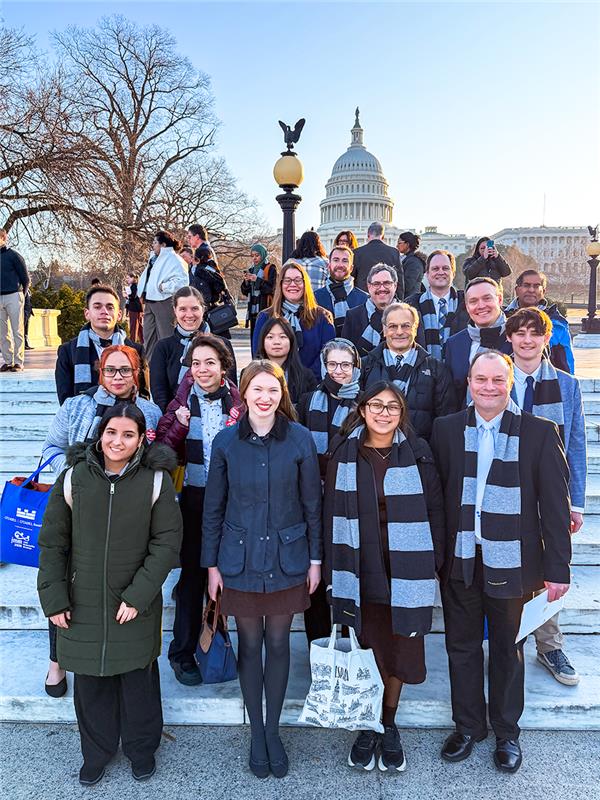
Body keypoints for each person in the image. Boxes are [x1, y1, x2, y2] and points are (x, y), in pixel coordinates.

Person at [430, 351, 571, 774]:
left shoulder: (539, 432)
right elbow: (438, 498)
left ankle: (507, 732)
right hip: (461, 559)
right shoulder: (446, 429)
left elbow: (555, 507)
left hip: (516, 562)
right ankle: (468, 726)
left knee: (509, 649)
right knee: (462, 646)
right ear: (468, 383)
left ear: (509, 383)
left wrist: (557, 570)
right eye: (480, 379)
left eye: (497, 380)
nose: (488, 387)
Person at [37, 405, 182, 786]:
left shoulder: (155, 481)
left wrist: (138, 596)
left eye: (128, 435)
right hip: (82, 601)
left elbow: (166, 542)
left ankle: (141, 749)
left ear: (140, 441)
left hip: (132, 603)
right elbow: (52, 543)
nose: (118, 441)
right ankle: (96, 753)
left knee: (139, 683)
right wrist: (53, 599)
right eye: (112, 433)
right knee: (90, 684)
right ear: (100, 434)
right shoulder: (74, 478)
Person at [201, 361, 322, 779]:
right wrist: (211, 565)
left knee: (280, 644)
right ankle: (257, 733)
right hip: (240, 559)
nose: (265, 397)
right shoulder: (225, 442)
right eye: (257, 390)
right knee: (250, 646)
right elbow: (212, 507)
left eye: (273, 390)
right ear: (245, 393)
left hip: (288, 559)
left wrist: (316, 559)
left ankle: (274, 731)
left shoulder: (301, 439)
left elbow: (313, 505)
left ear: (281, 393)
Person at [323, 382, 444, 772]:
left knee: (400, 649)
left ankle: (387, 723)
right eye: (376, 405)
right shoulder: (344, 453)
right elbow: (329, 515)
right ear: (362, 410)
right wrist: (331, 567)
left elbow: (436, 510)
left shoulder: (417, 452)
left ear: (401, 412)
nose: (384, 413)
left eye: (393, 406)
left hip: (407, 569)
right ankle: (367, 724)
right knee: (370, 646)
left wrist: (433, 562)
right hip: (361, 565)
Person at [156, 334, 244, 686]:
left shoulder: (240, 401)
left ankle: (221, 643)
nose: (202, 369)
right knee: (192, 576)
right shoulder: (182, 399)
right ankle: (182, 652)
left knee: (227, 575)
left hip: (233, 500)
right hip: (194, 498)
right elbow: (161, 447)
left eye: (210, 362)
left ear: (224, 366)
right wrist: (178, 421)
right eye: (196, 363)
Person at [506, 307, 586, 685]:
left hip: (549, 491)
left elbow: (576, 446)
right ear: (509, 338)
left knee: (548, 569)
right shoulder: (493, 376)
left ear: (545, 338)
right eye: (519, 332)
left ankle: (549, 644)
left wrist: (576, 501)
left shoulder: (567, 385)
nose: (526, 339)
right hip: (502, 487)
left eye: (534, 333)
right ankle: (508, 641)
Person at [361, 303, 456, 440]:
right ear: (384, 329)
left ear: (415, 329)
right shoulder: (365, 366)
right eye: (393, 326)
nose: (399, 332)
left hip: (419, 451)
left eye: (406, 326)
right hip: (373, 451)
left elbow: (445, 420)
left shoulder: (436, 369)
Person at [150, 286, 237, 413]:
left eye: (195, 308)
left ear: (203, 309)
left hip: (219, 417)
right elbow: (160, 395)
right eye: (183, 309)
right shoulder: (163, 348)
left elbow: (232, 388)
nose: (189, 315)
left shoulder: (222, 344)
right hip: (176, 420)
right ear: (175, 311)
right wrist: (173, 419)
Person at [55, 284, 145, 404]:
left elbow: (143, 398)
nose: (104, 312)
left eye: (110, 307)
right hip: (83, 419)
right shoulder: (67, 351)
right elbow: (65, 401)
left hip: (125, 417)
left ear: (119, 315)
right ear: (87, 313)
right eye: (97, 307)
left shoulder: (137, 351)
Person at [252, 262, 335, 379]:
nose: (292, 284)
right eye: (287, 280)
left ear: (305, 284)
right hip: (273, 386)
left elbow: (328, 355)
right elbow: (258, 356)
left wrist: (304, 380)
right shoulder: (265, 317)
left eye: (298, 280)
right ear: (280, 285)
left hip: (311, 386)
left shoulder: (322, 317)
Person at [444, 277, 512, 404]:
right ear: (467, 306)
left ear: (500, 299)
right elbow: (451, 397)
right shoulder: (454, 344)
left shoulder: (517, 339)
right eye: (473, 301)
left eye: (487, 298)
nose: (481, 306)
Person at [505, 269, 574, 374]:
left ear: (543, 291)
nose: (531, 290)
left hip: (546, 384)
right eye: (526, 285)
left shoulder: (557, 324)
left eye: (536, 286)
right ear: (517, 289)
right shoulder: (501, 319)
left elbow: (566, 365)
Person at [405, 250, 469, 360]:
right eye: (435, 269)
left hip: (459, 372)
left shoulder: (467, 302)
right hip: (423, 371)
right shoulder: (411, 305)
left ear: (453, 273)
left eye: (445, 268)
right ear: (427, 274)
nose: (440, 272)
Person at [138, 230, 189, 360]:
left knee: (165, 337)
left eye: (155, 242)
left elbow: (182, 282)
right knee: (148, 337)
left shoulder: (175, 259)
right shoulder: (154, 259)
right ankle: (151, 368)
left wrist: (163, 287)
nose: (153, 245)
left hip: (164, 301)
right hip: (150, 302)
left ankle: (169, 366)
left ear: (163, 245)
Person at [251, 316, 317, 404]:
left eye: (282, 337)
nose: (276, 342)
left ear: (291, 341)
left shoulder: (306, 377)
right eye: (270, 337)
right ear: (262, 341)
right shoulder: (250, 374)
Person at [341, 263, 399, 357]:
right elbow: (346, 355)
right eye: (376, 284)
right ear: (369, 286)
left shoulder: (409, 315)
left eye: (387, 283)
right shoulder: (353, 316)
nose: (382, 288)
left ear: (395, 286)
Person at [314, 246, 369, 336]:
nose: (340, 265)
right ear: (329, 266)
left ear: (351, 268)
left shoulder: (365, 299)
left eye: (345, 261)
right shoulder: (315, 298)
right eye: (336, 260)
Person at [0, 228, 30, 372]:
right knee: (2, 332)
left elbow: (26, 279)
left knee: (17, 330)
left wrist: (22, 296)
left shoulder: (14, 256)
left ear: (3, 238)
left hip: (14, 295)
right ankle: (7, 361)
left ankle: (18, 362)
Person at [352, 221, 403, 296]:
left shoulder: (357, 253)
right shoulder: (394, 252)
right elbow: (399, 281)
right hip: (387, 297)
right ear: (383, 236)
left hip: (363, 298)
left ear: (368, 235)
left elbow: (352, 279)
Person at [240, 243, 277, 345]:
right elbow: (244, 291)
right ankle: (255, 359)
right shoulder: (251, 270)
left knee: (265, 338)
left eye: (257, 255)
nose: (254, 258)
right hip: (252, 309)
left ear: (263, 254)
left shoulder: (270, 268)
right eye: (252, 256)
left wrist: (257, 280)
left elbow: (271, 289)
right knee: (254, 339)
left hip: (265, 307)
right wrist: (247, 281)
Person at [397, 232, 426, 297]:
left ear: (407, 244)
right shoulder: (409, 259)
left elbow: (407, 285)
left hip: (410, 300)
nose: (397, 246)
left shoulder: (414, 262)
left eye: (399, 243)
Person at [125, 273, 143, 343]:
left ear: (133, 278)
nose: (127, 279)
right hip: (135, 308)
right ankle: (143, 342)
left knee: (134, 327)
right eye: (127, 278)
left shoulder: (134, 286)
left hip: (134, 309)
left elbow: (132, 297)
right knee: (139, 327)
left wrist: (126, 296)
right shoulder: (132, 286)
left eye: (128, 278)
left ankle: (132, 343)